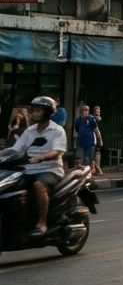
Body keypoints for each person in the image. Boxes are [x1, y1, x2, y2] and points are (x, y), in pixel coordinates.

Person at [12, 96, 66, 235]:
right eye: (33, 110)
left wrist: (41, 157)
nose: (34, 113)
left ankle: (41, 222)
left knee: (38, 185)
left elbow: (57, 151)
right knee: (9, 186)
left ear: (47, 112)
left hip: (51, 169)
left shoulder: (57, 130)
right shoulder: (29, 130)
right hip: (28, 169)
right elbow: (15, 149)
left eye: (38, 110)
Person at [73, 105, 99, 171]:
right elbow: (77, 129)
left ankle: (88, 173)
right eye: (85, 110)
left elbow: (96, 129)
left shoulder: (91, 119)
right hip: (81, 142)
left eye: (87, 110)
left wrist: (100, 139)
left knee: (88, 160)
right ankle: (81, 172)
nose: (86, 111)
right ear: (81, 111)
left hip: (90, 142)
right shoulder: (78, 120)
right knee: (79, 158)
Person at [90, 104, 104, 175]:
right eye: (96, 111)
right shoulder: (92, 119)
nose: (98, 113)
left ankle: (97, 169)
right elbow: (96, 130)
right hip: (92, 139)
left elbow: (99, 130)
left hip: (97, 139)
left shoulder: (99, 120)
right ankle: (96, 170)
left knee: (97, 153)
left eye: (99, 111)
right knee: (91, 155)